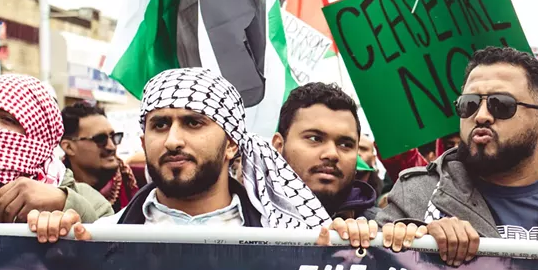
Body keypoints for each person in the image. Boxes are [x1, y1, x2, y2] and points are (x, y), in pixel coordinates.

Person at [372, 47, 538, 268]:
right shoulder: (417, 193)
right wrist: (417, 240)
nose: (480, 116)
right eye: (469, 104)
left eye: (501, 105)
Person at [29, 67, 331, 239]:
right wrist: (53, 247)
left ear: (231, 144)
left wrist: (356, 241)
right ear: (144, 138)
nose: (173, 140)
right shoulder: (99, 238)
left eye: (193, 123)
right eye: (160, 125)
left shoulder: (285, 242)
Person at [0, 74, 112, 224]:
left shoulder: (91, 202)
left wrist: (65, 203)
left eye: (7, 119)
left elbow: (109, 243)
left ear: (39, 138)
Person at [272, 82, 375, 218]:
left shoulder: (380, 232)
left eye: (345, 145)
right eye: (315, 139)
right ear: (278, 146)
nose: (332, 154)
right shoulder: (240, 222)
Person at [60, 100, 139, 213]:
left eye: (113, 137)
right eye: (100, 139)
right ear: (68, 147)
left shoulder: (135, 180)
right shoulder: (53, 190)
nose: (111, 146)